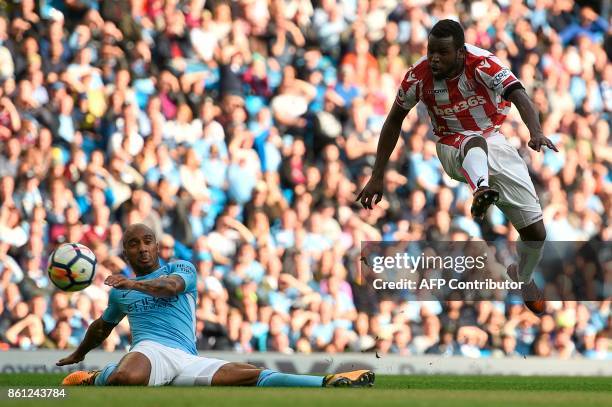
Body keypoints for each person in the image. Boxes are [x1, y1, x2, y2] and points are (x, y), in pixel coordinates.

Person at [356, 20, 555, 315]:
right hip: (450, 145)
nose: (434, 58)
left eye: (443, 52)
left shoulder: (483, 64)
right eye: (431, 51)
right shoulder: (418, 77)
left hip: (494, 140)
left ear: (460, 52)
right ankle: (481, 190)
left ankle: (523, 277)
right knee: (472, 142)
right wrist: (377, 175)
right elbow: (394, 120)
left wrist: (535, 131)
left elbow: (519, 95)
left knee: (536, 232)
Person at [59, 224, 374, 388]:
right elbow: (103, 325)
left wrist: (134, 283)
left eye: (147, 241)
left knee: (249, 375)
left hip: (185, 357)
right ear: (125, 251)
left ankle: (327, 382)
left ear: (155, 244)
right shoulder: (120, 293)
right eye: (133, 244)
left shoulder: (180, 268)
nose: (142, 248)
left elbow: (170, 289)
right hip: (150, 350)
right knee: (126, 378)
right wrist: (79, 353)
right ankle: (98, 376)